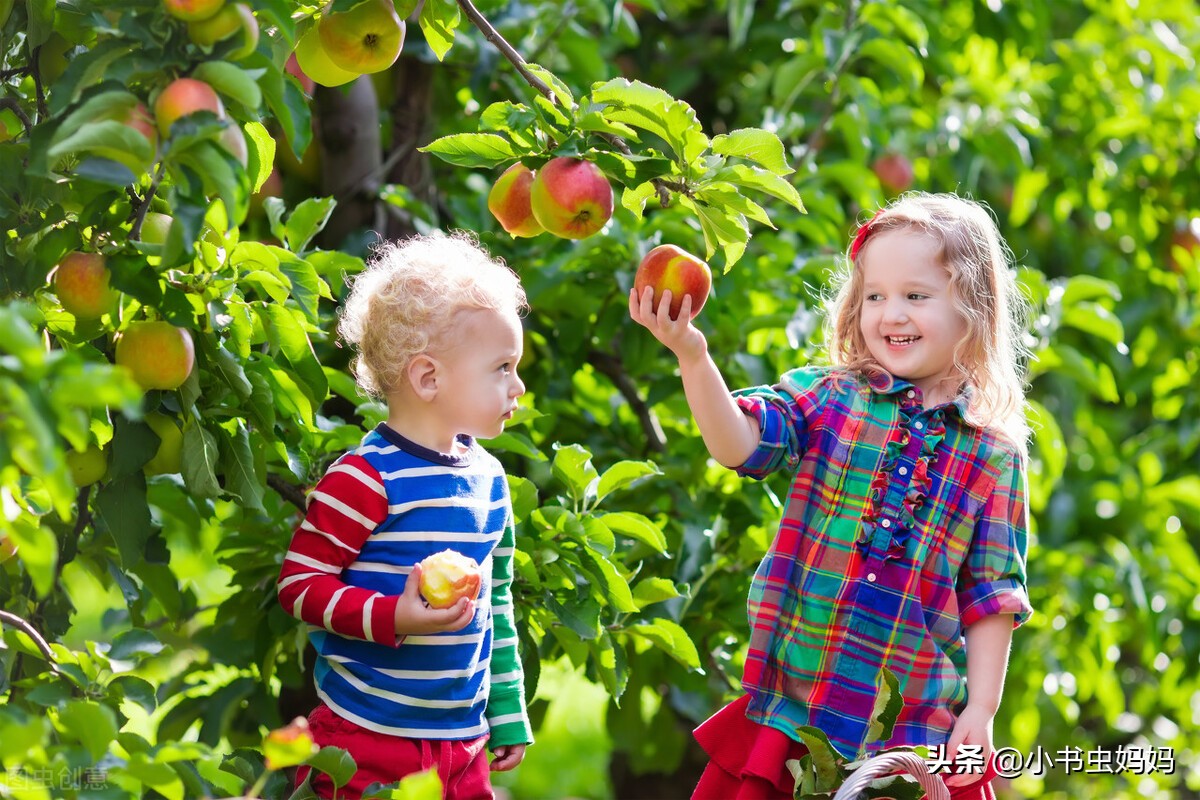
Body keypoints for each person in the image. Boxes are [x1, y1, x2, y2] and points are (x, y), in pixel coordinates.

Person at [629, 193, 1034, 800]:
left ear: (972, 307)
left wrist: (983, 708)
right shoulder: (830, 398)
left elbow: (992, 595)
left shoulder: (993, 453)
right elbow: (739, 443)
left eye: (915, 296)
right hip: (796, 708)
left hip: (910, 734)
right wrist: (694, 355)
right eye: (875, 296)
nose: (890, 313)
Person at [277, 232, 532, 800]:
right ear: (428, 378)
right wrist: (395, 617)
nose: (518, 386)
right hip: (365, 739)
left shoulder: (489, 481)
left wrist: (507, 709)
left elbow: (497, 601)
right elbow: (299, 586)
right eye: (502, 367)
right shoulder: (366, 478)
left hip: (461, 745)